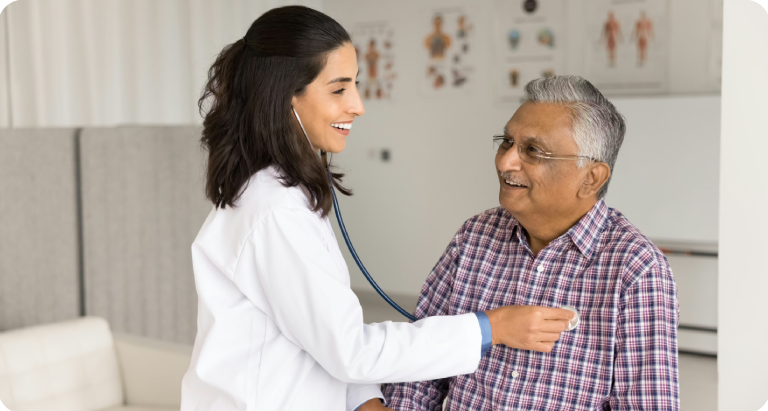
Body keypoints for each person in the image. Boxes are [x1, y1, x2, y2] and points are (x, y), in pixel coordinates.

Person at [180, 7, 574, 411]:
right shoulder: (275, 212)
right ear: (285, 97)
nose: (358, 105)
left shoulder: (275, 197)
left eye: (355, 86)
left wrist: (365, 398)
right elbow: (350, 349)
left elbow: (322, 336)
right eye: (339, 89)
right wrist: (493, 327)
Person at [382, 75, 680, 410]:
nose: (504, 162)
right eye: (506, 142)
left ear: (591, 178)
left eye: (533, 151)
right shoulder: (475, 237)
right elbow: (417, 370)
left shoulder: (636, 269)